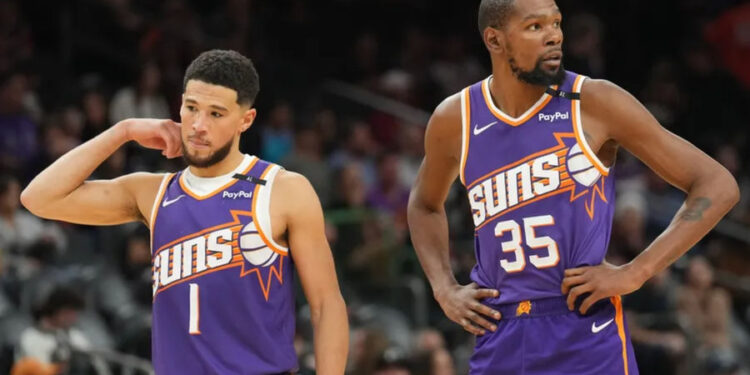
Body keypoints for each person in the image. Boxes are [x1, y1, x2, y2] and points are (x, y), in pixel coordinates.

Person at [406, 0, 740, 374]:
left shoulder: (593, 101)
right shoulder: (457, 118)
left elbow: (716, 183)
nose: (554, 36)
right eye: (535, 27)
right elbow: (423, 205)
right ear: (494, 40)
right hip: (499, 332)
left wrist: (637, 271)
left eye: (556, 22)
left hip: (583, 327)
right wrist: (443, 287)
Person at [21, 50, 348, 374]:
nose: (199, 125)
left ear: (245, 120)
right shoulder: (152, 192)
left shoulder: (282, 189)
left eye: (216, 114)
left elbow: (326, 305)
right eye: (192, 108)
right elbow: (39, 198)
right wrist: (123, 131)